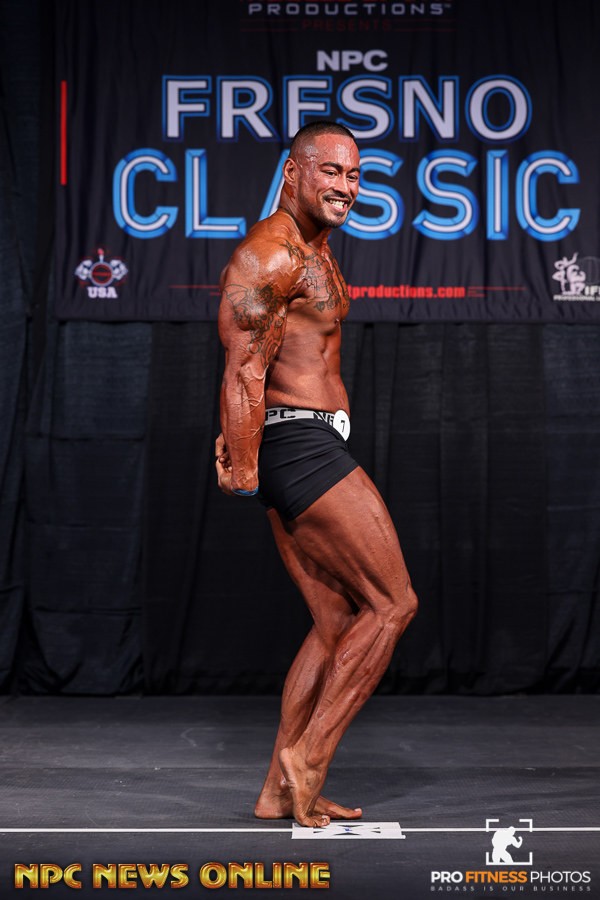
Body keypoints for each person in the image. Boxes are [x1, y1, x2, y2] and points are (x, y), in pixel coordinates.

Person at [215, 121, 418, 827]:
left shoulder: (314, 249)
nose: (346, 186)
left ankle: (277, 790)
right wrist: (245, 468)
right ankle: (308, 759)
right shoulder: (269, 253)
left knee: (335, 621)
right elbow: (244, 366)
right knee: (393, 604)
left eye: (355, 175)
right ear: (292, 172)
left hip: (305, 442)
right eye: (331, 171)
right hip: (298, 446)